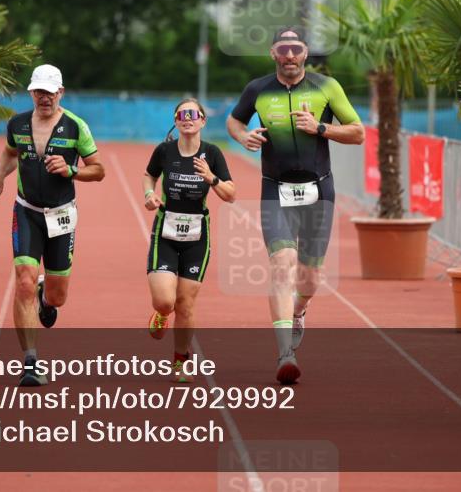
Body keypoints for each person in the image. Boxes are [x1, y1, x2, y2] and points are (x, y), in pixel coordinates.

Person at [226, 27, 364, 384]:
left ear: (305, 53)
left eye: (296, 49)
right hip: (275, 189)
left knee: (309, 276)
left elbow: (358, 132)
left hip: (320, 190)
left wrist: (319, 128)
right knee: (282, 265)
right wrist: (243, 136)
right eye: (283, 49)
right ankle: (285, 352)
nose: (290, 55)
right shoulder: (257, 89)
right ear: (273, 52)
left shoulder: (326, 87)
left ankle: (300, 310)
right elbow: (234, 119)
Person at [0, 64, 105, 386]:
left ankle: (45, 294)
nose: (44, 98)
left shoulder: (76, 127)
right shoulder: (18, 124)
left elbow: (99, 169)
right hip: (26, 210)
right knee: (22, 280)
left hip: (62, 214)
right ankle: (31, 362)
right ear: (31, 93)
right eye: (39, 92)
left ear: (60, 93)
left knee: (57, 297)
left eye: (50, 92)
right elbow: (11, 154)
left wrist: (71, 171)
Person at [143, 98, 235, 382]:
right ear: (176, 120)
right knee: (165, 301)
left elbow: (231, 194)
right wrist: (149, 194)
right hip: (166, 231)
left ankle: (181, 362)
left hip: (197, 235)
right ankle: (160, 313)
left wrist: (212, 179)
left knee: (185, 304)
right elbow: (150, 175)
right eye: (181, 114)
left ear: (203, 121)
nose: (187, 118)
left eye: (193, 114)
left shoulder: (213, 153)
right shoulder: (165, 151)